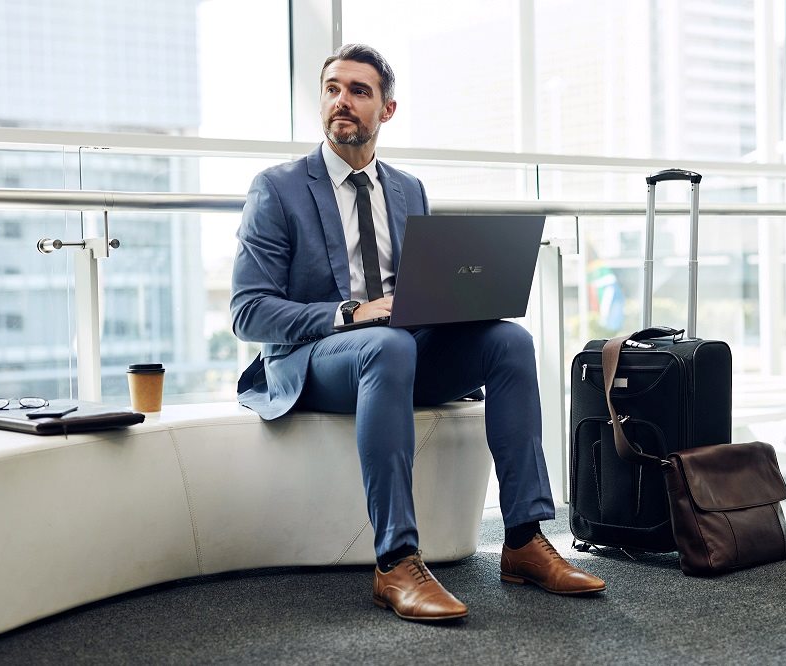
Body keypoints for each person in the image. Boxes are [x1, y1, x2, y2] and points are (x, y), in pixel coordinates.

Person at [231, 43, 605, 622]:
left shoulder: (408, 190)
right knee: (386, 342)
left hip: (398, 351)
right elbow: (247, 310)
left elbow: (421, 294)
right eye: (333, 88)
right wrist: (350, 313)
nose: (342, 101)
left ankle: (524, 540)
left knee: (508, 342)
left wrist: (461, 303)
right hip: (313, 360)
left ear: (388, 109)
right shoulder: (277, 189)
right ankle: (397, 561)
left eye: (359, 91)